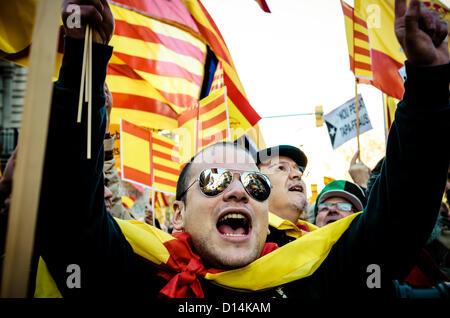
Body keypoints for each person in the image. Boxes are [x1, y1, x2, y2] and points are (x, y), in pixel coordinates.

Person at [33, 0, 449, 299]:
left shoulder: (317, 274)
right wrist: (82, 63)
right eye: (214, 180)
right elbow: (69, 211)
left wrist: (428, 81)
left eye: (254, 183)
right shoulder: (134, 272)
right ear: (177, 214)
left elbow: (399, 221)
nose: (239, 192)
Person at [256, 145, 317, 246]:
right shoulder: (247, 240)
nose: (298, 174)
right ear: (257, 185)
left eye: (299, 169)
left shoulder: (325, 238)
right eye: (281, 168)